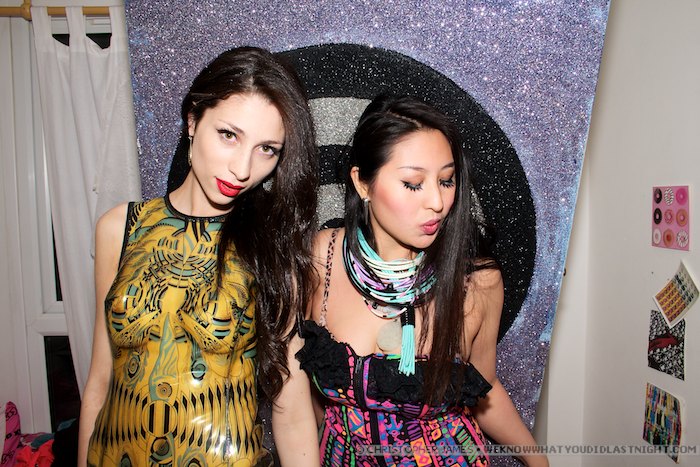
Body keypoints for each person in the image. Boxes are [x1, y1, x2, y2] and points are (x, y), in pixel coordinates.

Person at [273, 95, 548, 466]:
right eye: (413, 183)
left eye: (446, 180)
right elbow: (298, 402)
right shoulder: (319, 260)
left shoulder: (477, 282)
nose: (437, 201)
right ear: (362, 184)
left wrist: (538, 459)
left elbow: (485, 386)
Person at [78, 46, 319, 466]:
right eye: (229, 135)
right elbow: (100, 380)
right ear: (193, 121)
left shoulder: (272, 246)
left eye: (267, 149)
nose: (242, 169)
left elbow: (292, 408)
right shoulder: (120, 228)